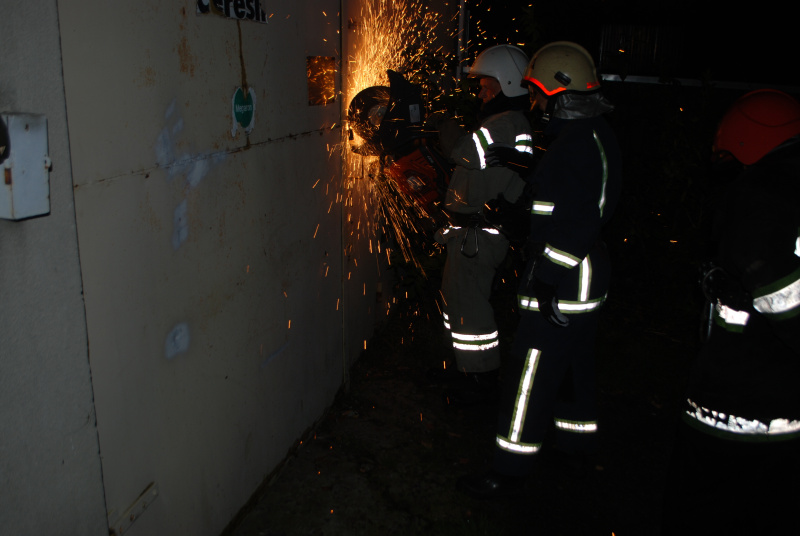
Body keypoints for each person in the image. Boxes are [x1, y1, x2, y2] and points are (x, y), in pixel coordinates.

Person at [457, 41, 622, 498]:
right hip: (585, 274)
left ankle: (508, 471)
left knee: (529, 373)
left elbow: (576, 222)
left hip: (566, 275)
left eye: (538, 93)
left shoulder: (577, 145)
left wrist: (546, 280)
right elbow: (560, 196)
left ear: (560, 92)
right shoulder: (590, 134)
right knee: (573, 364)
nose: (533, 102)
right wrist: (517, 187)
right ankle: (574, 447)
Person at [662, 89, 800, 535]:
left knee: (707, 512)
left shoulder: (761, 193)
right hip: (783, 410)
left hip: (738, 409)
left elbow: (777, 286)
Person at [432, 45, 533, 398]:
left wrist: (439, 120)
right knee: (458, 301)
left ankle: (480, 380)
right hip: (469, 234)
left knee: (471, 307)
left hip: (480, 237)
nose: (481, 90)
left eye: (486, 83)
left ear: (506, 82)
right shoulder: (503, 122)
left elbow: (462, 151)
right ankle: (462, 368)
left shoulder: (506, 124)